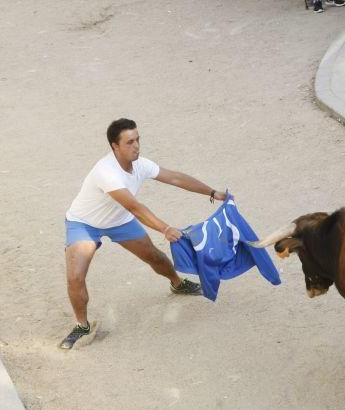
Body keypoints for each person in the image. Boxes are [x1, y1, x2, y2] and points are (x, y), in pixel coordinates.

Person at [60, 118, 227, 349]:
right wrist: (166, 229)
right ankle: (82, 326)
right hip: (84, 223)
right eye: (130, 142)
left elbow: (175, 178)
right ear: (115, 146)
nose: (137, 146)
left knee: (155, 257)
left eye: (138, 140)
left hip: (119, 220)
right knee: (76, 276)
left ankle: (177, 284)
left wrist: (212, 192)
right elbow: (135, 207)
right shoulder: (106, 172)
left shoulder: (141, 165)